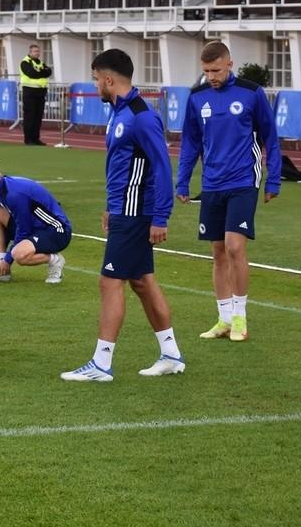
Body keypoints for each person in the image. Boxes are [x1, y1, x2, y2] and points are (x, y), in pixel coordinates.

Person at [61, 48, 184, 382]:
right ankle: (171, 354)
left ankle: (101, 364)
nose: (96, 85)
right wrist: (110, 206)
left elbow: (161, 166)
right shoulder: (119, 112)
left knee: (109, 281)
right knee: (142, 281)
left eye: (97, 79)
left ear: (109, 79)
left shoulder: (141, 116)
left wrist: (161, 216)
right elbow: (122, 168)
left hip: (136, 213)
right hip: (123, 209)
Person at [177, 41, 280, 342]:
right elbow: (190, 142)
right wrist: (183, 182)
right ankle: (222, 319)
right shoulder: (197, 98)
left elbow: (270, 137)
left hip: (243, 180)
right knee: (218, 252)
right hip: (212, 183)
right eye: (206, 71)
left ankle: (240, 318)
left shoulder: (251, 93)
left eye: (216, 70)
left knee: (235, 247)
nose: (211, 76)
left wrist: (273, 180)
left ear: (230, 64)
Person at [0, 158, 71, 284]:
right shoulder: (0, 188)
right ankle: (0, 270)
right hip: (34, 227)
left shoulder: (15, 194)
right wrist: (1, 259)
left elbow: (23, 231)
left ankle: (55, 260)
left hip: (55, 230)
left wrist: (8, 259)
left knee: (19, 255)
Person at [20, 43, 52, 146]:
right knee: (30, 116)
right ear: (30, 52)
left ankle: (36, 138)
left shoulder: (40, 63)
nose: (37, 53)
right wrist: (42, 72)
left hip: (40, 92)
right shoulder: (25, 62)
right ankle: (28, 139)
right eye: (34, 51)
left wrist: (40, 72)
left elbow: (49, 71)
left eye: (38, 51)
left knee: (38, 116)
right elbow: (31, 73)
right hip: (29, 91)